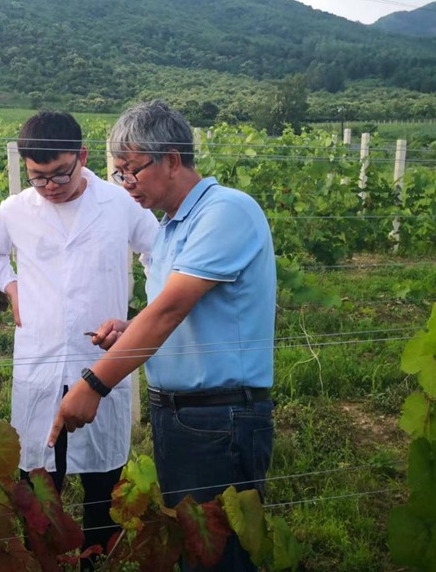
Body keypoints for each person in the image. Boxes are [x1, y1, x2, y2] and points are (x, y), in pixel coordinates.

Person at [48, 100, 276, 571]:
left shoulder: (226, 212)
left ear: (172, 160)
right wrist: (132, 328)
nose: (125, 184)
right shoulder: (170, 226)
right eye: (119, 173)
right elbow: (176, 310)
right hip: (178, 414)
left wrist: (93, 385)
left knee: (220, 557)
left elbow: (170, 311)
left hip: (220, 418)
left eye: (132, 170)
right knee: (192, 548)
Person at [0, 111, 159, 559]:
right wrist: (13, 288)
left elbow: (158, 252)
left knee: (103, 485)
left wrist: (147, 315)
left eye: (60, 173)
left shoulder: (119, 205)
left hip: (101, 359)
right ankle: (45, 563)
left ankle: (97, 560)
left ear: (82, 156)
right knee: (40, 485)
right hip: (40, 361)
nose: (51, 186)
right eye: (38, 178)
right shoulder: (16, 210)